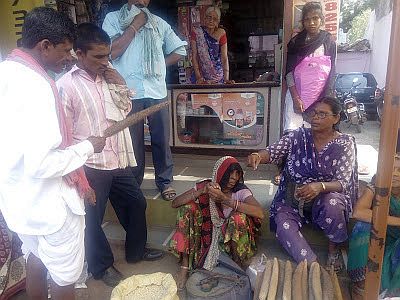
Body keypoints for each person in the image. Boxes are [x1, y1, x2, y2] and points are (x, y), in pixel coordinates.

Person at [0, 7, 106, 300]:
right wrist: (86, 147)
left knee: (36, 258)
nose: (70, 58)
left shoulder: (5, 71)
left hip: (19, 205)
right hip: (50, 208)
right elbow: (42, 163)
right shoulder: (37, 86)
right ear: (44, 46)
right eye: (66, 50)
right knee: (64, 278)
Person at [57, 23, 163, 287]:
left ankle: (136, 251)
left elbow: (125, 109)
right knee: (91, 219)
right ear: (79, 54)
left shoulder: (110, 75)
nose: (105, 62)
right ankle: (101, 266)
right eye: (98, 57)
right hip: (89, 164)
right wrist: (75, 173)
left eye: (108, 56)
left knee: (136, 203)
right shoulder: (65, 86)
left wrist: (121, 83)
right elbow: (64, 135)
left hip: (116, 159)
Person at [248, 97, 358, 271]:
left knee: (333, 202)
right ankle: (311, 263)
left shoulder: (345, 143)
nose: (315, 118)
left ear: (336, 118)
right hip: (293, 199)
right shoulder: (298, 136)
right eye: (313, 113)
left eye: (322, 114)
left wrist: (319, 186)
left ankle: (333, 250)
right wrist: (258, 156)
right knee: (282, 222)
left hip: (325, 200)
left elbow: (343, 181)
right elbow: (274, 150)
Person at [102, 0, 187, 201]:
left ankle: (165, 182)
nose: (142, 1)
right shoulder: (113, 19)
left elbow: (179, 50)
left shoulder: (158, 23)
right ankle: (133, 184)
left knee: (162, 139)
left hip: (156, 90)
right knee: (132, 142)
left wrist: (158, 64)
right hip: (128, 91)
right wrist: (134, 26)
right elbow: (111, 53)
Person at [169, 156, 264, 289]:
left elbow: (260, 213)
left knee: (238, 218)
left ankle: (237, 265)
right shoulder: (206, 186)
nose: (234, 179)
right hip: (206, 236)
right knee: (187, 209)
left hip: (230, 241)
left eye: (237, 175)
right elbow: (175, 203)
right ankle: (185, 266)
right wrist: (202, 191)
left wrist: (225, 199)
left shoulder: (241, 191)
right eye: (230, 175)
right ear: (220, 173)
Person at [348, 158, 400, 299]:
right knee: (362, 227)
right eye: (391, 169)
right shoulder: (378, 183)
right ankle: (361, 284)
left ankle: (393, 293)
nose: (395, 174)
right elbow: (359, 212)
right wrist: (397, 221)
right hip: (378, 238)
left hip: (396, 246)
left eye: (399, 170)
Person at [283, 1, 336, 132]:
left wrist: (323, 101)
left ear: (321, 19)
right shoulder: (296, 43)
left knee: (314, 134)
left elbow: (332, 72)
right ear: (303, 21)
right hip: (296, 97)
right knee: (293, 134)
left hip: (319, 98)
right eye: (307, 19)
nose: (311, 23)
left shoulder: (328, 41)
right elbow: (289, 72)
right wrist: (295, 99)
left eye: (315, 18)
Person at [190, 6, 233, 84]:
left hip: (219, 77)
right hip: (201, 76)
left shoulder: (221, 33)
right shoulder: (197, 32)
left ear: (218, 21)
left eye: (215, 19)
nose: (211, 21)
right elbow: (194, 56)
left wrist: (226, 79)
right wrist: (199, 77)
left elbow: (224, 57)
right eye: (209, 17)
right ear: (205, 18)